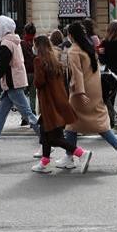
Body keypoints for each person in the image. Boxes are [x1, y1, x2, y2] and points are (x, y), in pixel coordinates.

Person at [63, 22, 117, 171]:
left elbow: (77, 74)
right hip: (94, 89)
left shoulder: (73, 51)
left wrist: (80, 92)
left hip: (81, 91)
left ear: (71, 35)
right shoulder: (89, 48)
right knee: (99, 123)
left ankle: (69, 157)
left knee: (71, 124)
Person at [0, 16, 40, 155]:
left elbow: (1, 69)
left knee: (28, 114)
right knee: (0, 114)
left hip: (12, 84)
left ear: (2, 28)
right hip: (14, 82)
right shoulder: (14, 41)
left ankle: (46, 141)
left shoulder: (5, 45)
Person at [31, 36, 91, 173]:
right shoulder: (55, 61)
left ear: (38, 47)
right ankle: (44, 163)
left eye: (34, 46)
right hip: (59, 102)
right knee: (45, 134)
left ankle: (81, 153)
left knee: (55, 138)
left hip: (48, 104)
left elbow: (39, 82)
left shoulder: (39, 60)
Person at [21, 23, 38, 117]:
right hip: (35, 71)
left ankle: (24, 116)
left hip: (25, 72)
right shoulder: (36, 42)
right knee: (32, 95)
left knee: (23, 95)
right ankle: (32, 112)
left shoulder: (22, 43)